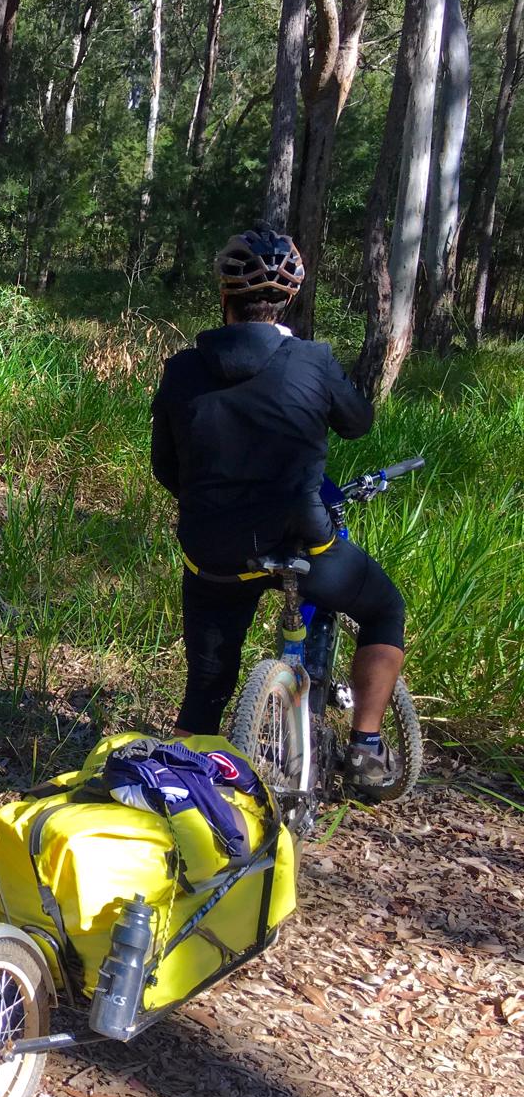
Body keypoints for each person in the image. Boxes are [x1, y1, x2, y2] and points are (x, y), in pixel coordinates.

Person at [149, 223, 406, 796]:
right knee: (385, 609)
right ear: (288, 298)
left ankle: (180, 790)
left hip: (213, 551)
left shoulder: (182, 370)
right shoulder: (312, 360)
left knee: (207, 684)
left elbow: (167, 469)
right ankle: (365, 747)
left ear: (224, 296)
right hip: (304, 540)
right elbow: (358, 422)